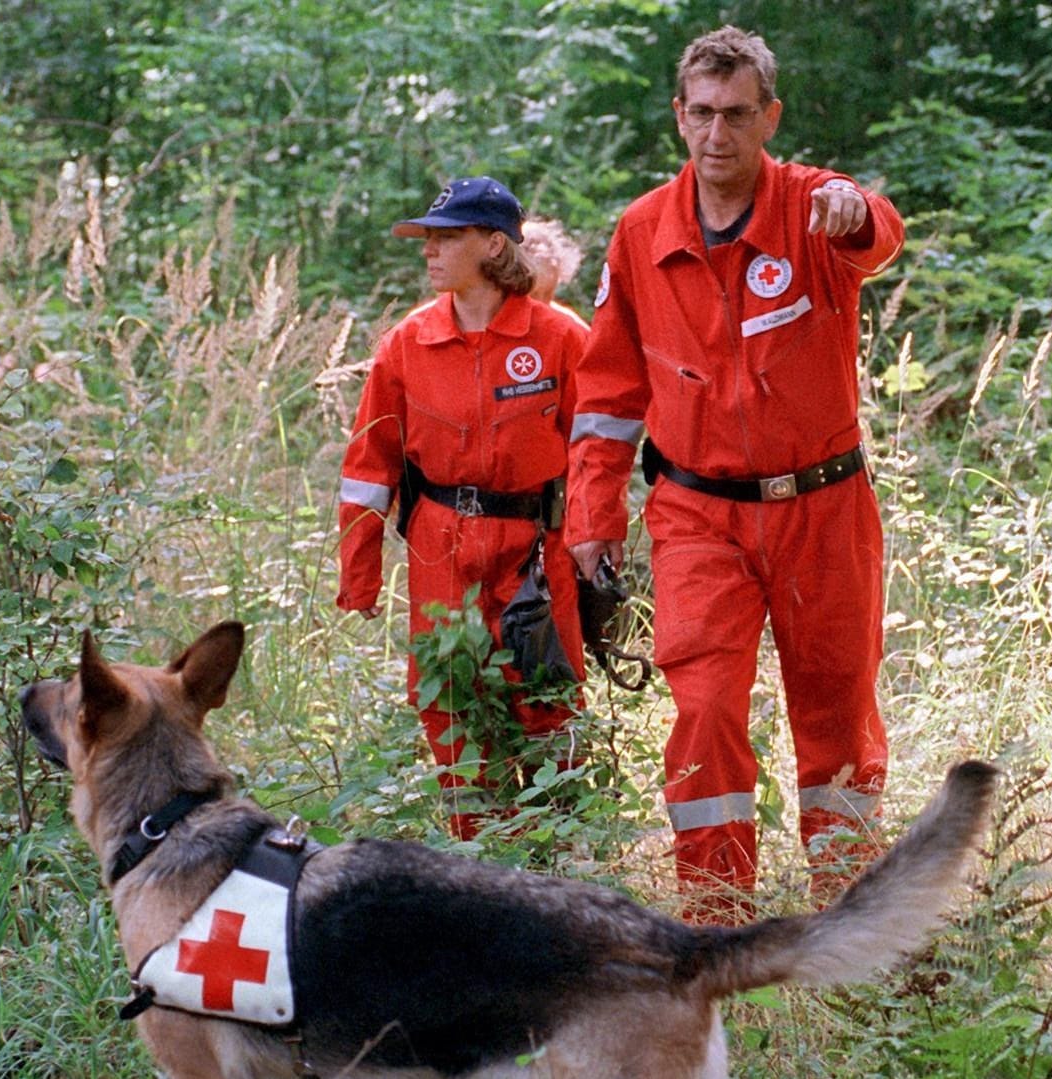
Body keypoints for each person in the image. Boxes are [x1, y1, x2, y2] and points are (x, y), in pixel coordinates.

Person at [566, 27, 906, 921]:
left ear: (769, 117)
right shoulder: (642, 231)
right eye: (703, 114)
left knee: (837, 713)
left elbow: (878, 236)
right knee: (707, 709)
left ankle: (848, 924)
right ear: (680, 116)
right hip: (697, 513)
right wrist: (591, 515)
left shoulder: (811, 208)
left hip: (825, 508)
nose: (719, 134)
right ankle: (717, 924)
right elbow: (607, 390)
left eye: (738, 115)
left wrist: (854, 208)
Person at [336, 176, 587, 839]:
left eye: (447, 238)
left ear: (495, 245)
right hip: (440, 541)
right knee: (449, 700)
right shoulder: (407, 342)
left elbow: (594, 453)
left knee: (547, 702)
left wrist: (592, 543)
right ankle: (478, 856)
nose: (429, 251)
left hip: (537, 543)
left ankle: (554, 852)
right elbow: (368, 468)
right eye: (427, 238)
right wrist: (358, 576)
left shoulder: (561, 338)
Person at [521, 217, 588, 328]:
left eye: (548, 294)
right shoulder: (485, 321)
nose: (541, 305)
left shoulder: (572, 328)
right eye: (532, 296)